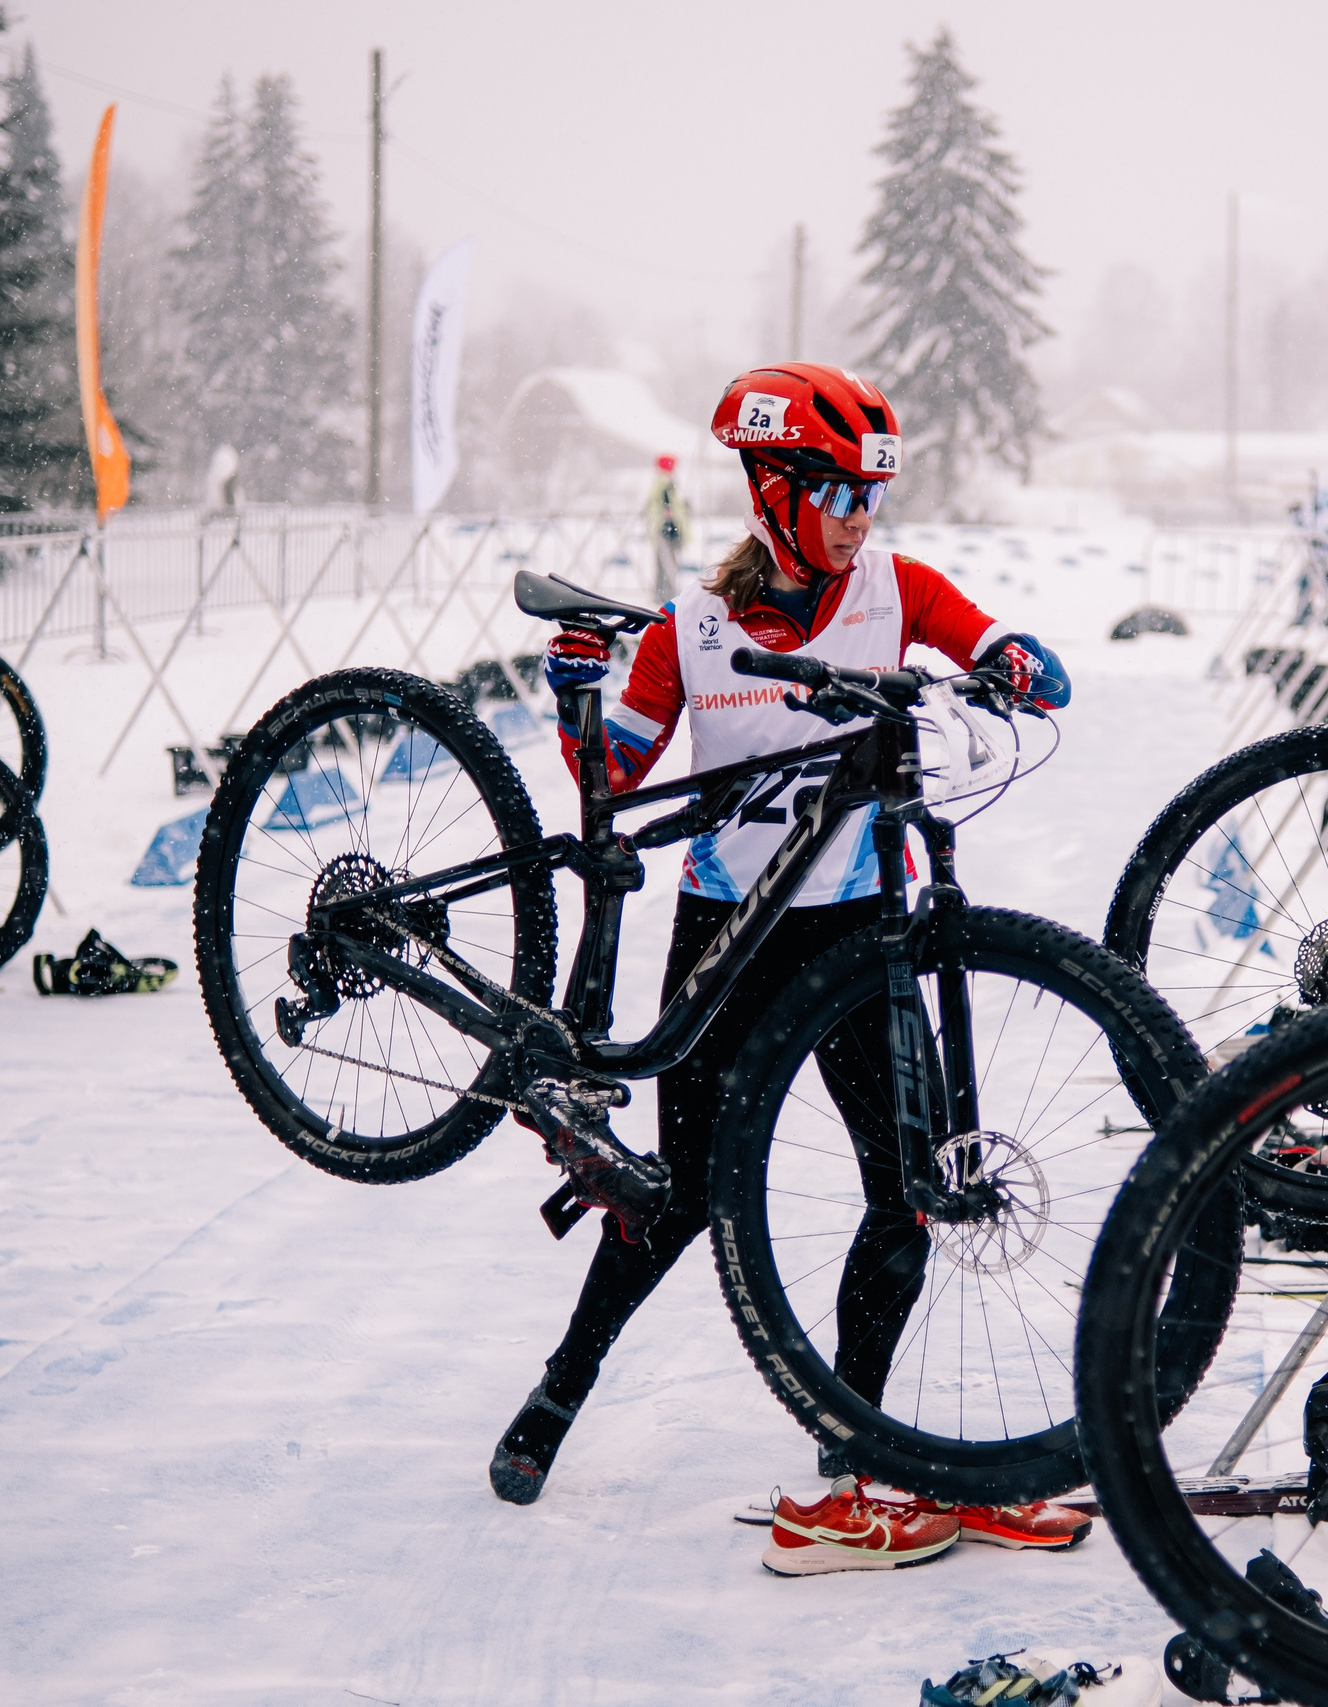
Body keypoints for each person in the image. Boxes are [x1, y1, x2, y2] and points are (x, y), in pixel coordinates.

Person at [492, 362, 1088, 1575]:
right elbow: (610, 783)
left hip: (860, 932)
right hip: (724, 938)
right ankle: (562, 1385)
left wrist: (1019, 657)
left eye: (872, 495)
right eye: (839, 495)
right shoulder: (688, 630)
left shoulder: (893, 586)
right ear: (774, 490)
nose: (861, 518)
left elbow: (988, 640)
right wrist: (574, 706)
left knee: (910, 1189)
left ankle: (849, 1438)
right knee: (683, 1194)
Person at [642, 453, 692, 604]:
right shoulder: (667, 483)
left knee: (661, 562)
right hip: (668, 528)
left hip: (659, 527)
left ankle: (659, 594)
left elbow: (652, 505)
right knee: (669, 563)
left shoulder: (658, 482)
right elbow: (670, 506)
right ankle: (669, 596)